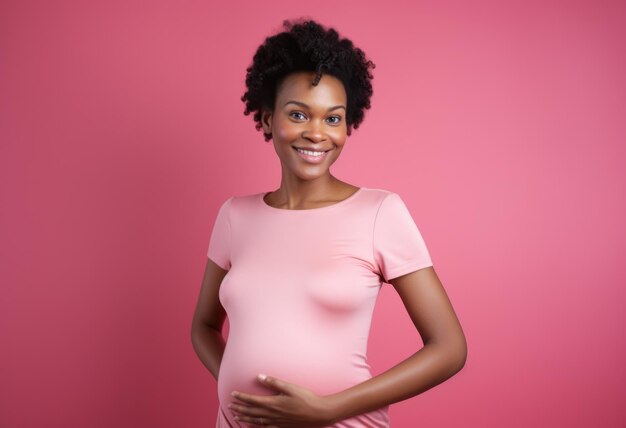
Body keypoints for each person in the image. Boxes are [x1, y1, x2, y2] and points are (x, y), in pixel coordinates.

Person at [191, 18, 467, 428]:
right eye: (299, 114)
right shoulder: (234, 215)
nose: (317, 133)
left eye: (333, 118)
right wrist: (234, 394)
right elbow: (204, 326)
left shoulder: (379, 212)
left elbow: (449, 349)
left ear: (348, 124)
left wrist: (326, 409)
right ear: (267, 119)